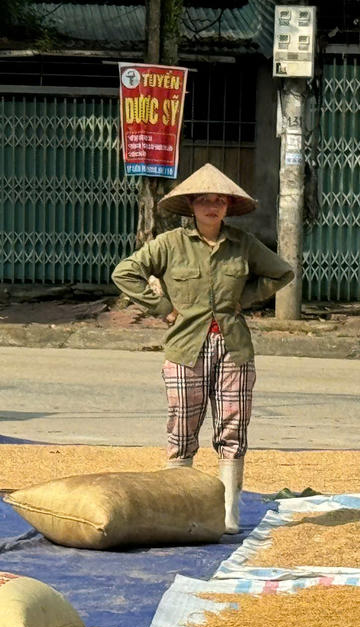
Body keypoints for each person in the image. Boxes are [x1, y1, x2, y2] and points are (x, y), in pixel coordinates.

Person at [112, 164, 293, 534]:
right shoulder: (169, 245)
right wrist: (163, 309)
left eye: (219, 201)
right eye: (204, 200)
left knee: (233, 428)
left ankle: (227, 515)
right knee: (182, 429)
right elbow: (124, 273)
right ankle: (182, 511)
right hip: (184, 348)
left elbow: (282, 272)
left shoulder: (243, 245)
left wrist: (246, 297)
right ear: (191, 205)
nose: (212, 207)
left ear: (228, 206)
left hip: (234, 348)